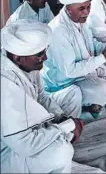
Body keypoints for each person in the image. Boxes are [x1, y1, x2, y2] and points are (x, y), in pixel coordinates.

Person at [1, 20, 84, 173]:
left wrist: (62, 117)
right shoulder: (5, 84)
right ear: (18, 57)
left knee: (73, 95)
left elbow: (41, 96)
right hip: (9, 151)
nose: (45, 58)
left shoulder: (26, 65)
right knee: (61, 152)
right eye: (40, 54)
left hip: (31, 127)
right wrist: (65, 127)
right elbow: (24, 144)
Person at [41, 0, 106, 118]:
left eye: (88, 7)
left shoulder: (80, 19)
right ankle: (73, 107)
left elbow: (89, 43)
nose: (87, 12)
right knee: (91, 91)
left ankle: (89, 99)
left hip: (82, 72)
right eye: (81, 8)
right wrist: (104, 57)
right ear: (68, 8)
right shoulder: (58, 31)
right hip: (62, 84)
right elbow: (70, 71)